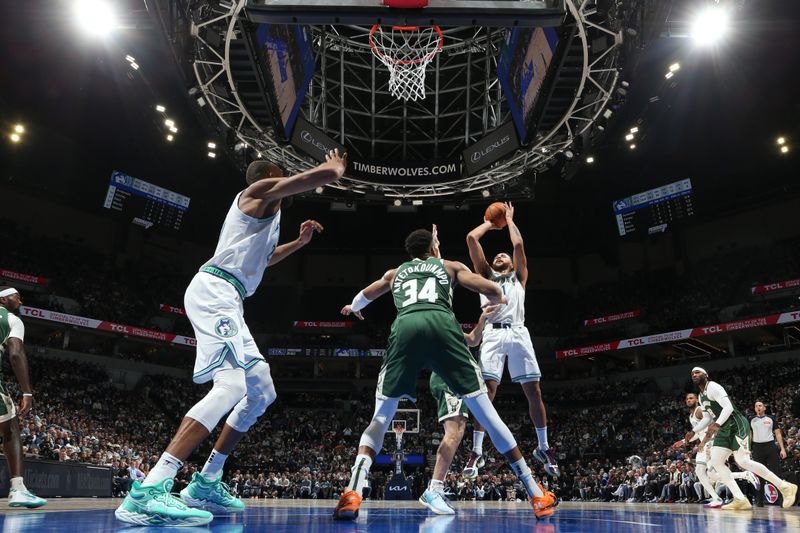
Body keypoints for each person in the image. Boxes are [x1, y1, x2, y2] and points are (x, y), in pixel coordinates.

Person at [116, 149, 348, 527]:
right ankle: (150, 489)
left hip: (232, 298)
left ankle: (206, 480)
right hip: (215, 292)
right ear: (269, 175)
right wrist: (332, 169)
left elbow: (263, 260)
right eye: (281, 174)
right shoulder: (257, 191)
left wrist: (299, 244)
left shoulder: (263, 219)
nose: (284, 178)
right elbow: (310, 179)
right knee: (230, 386)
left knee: (262, 391)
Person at [333, 228, 558, 521]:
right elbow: (489, 288)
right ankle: (536, 493)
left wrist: (354, 307)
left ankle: (353, 492)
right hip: (443, 329)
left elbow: (367, 294)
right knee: (488, 416)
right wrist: (499, 295)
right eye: (437, 242)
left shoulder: (396, 272)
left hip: (405, 330)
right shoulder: (449, 266)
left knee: (380, 417)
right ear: (433, 247)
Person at [464, 203, 557, 479]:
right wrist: (490, 225)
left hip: (518, 332)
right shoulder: (484, 276)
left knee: (534, 391)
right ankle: (477, 452)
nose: (502, 254)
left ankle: (543, 447)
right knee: (486, 394)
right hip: (492, 332)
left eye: (505, 254)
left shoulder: (519, 277)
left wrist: (510, 219)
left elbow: (518, 244)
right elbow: (471, 238)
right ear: (492, 264)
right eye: (498, 255)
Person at [686, 367, 797, 511]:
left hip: (736, 424)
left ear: (706, 375)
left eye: (698, 372)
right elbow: (707, 418)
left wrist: (717, 424)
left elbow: (728, 407)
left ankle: (785, 486)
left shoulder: (713, 386)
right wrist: (694, 431)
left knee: (743, 461)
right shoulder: (701, 396)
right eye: (693, 374)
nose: (695, 375)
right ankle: (739, 498)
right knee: (716, 461)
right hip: (724, 428)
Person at [0, 287, 47, 508]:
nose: (20, 300)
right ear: (2, 299)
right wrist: (27, 391)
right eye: (16, 297)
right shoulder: (11, 320)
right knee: (10, 430)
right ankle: (18, 489)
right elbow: (16, 353)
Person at [751, 400, 787, 506]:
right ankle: (759, 501)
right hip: (757, 448)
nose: (758, 407)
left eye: (760, 405)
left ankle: (782, 500)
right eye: (756, 406)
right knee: (758, 475)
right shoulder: (751, 420)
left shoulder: (771, 418)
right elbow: (749, 435)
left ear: (764, 408)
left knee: (776, 473)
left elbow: (778, 434)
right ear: (754, 408)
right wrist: (748, 449)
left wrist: (782, 449)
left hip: (770, 446)